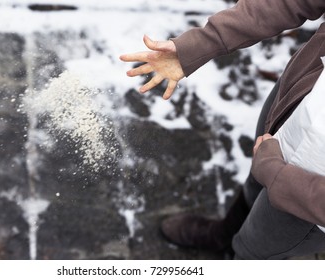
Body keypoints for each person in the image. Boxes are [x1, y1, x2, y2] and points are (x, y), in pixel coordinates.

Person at [120, 0, 325, 259]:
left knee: (254, 250)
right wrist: (200, 44)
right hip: (297, 97)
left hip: (308, 196)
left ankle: (234, 256)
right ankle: (225, 234)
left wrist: (274, 174)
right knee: (253, 186)